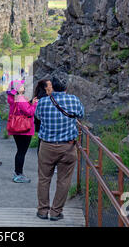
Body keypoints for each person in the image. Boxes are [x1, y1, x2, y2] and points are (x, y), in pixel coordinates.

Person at [35, 75, 84, 221]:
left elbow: (38, 117)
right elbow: (81, 114)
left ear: (52, 87)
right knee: (63, 180)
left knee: (44, 179)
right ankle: (56, 212)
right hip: (67, 147)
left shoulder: (43, 102)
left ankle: (43, 211)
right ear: (66, 88)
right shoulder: (74, 100)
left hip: (47, 146)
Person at [7, 80, 38, 183]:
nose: (23, 86)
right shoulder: (20, 98)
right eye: (21, 85)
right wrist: (34, 105)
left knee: (19, 151)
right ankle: (18, 174)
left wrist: (30, 103)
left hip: (16, 128)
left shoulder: (13, 98)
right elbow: (29, 112)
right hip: (24, 129)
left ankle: (17, 173)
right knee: (21, 152)